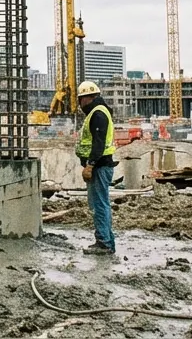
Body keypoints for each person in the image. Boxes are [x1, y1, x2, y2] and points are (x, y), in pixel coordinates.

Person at [75, 81, 116, 255]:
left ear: (86, 98)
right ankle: (107, 241)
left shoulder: (98, 114)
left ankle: (104, 243)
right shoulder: (97, 112)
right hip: (100, 166)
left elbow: (98, 144)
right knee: (101, 204)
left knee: (99, 205)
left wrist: (90, 165)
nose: (80, 104)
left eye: (80, 99)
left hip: (99, 167)